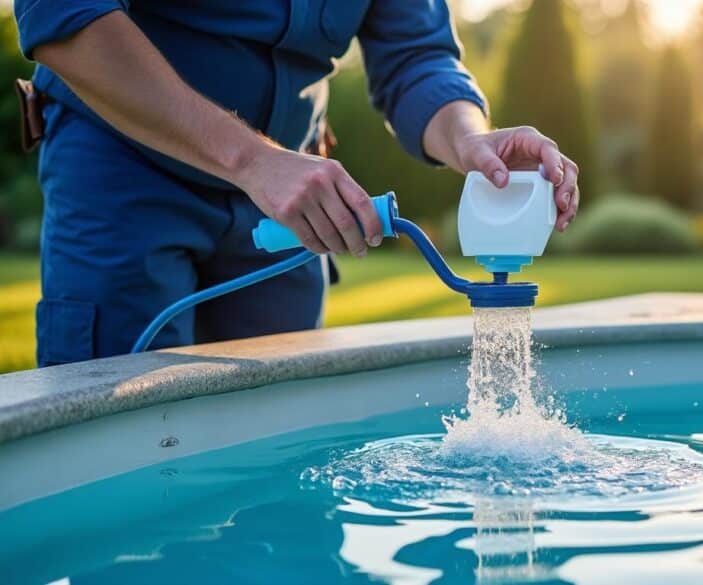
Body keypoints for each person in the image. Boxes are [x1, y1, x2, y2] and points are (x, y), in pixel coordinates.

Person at [12, 1, 580, 367]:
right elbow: (64, 19)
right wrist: (253, 161)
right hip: (126, 180)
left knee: (275, 460)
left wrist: (469, 140)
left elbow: (416, 57)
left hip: (288, 203)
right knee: (119, 450)